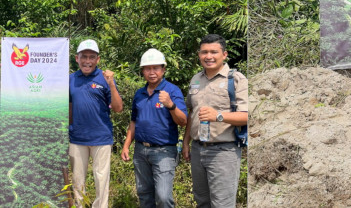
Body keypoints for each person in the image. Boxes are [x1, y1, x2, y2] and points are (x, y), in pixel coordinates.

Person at [182, 34, 247, 207]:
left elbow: (247, 116)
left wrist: (218, 115)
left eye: (214, 52)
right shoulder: (195, 79)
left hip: (223, 151)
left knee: (222, 204)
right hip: (197, 150)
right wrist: (186, 142)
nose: (208, 56)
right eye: (204, 52)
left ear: (224, 54)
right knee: (202, 201)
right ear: (199, 55)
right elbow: (192, 112)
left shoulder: (236, 80)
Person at [121, 49, 187, 208]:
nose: (152, 72)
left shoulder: (172, 91)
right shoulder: (139, 94)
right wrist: (126, 145)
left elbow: (183, 121)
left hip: (164, 151)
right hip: (140, 150)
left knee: (163, 197)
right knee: (144, 195)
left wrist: (171, 105)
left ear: (163, 69)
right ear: (143, 71)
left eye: (156, 68)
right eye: (147, 68)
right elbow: (134, 122)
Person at [68, 39, 123, 208]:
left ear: (98, 60)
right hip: (77, 139)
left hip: (101, 138)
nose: (87, 61)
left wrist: (111, 84)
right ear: (77, 58)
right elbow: (69, 108)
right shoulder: (70, 79)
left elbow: (118, 108)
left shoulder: (105, 78)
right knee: (78, 182)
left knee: (101, 181)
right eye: (84, 56)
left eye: (92, 57)